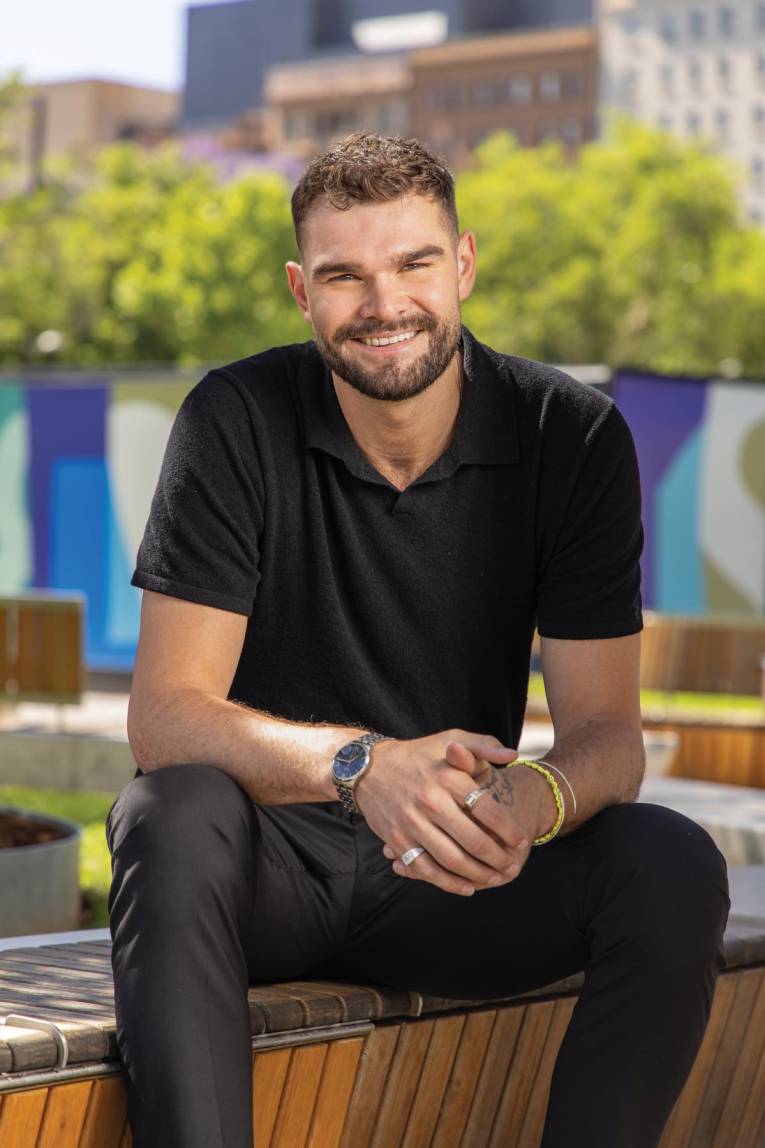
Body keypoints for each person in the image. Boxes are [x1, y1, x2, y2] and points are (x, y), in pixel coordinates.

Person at [107, 132, 729, 1148]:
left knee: (671, 860)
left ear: (465, 265)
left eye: (413, 263)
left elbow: (612, 735)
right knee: (168, 810)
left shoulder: (570, 436)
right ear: (302, 290)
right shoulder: (235, 416)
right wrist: (360, 763)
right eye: (345, 274)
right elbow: (164, 716)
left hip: (458, 880)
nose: (383, 302)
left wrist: (535, 797)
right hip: (274, 871)